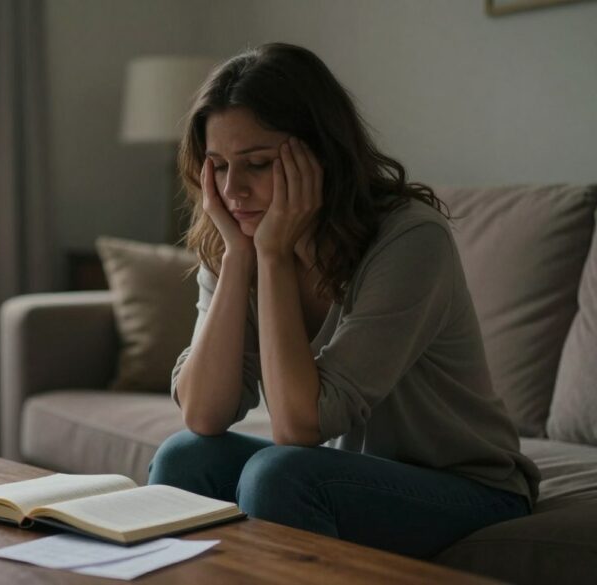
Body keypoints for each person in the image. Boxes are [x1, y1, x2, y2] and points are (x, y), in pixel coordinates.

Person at [147, 43, 539, 559]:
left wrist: (273, 257)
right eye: (217, 166)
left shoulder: (410, 240)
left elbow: (297, 426)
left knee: (281, 473)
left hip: (470, 489)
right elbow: (203, 414)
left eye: (258, 164)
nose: (233, 189)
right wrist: (239, 259)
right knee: (185, 456)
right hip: (351, 475)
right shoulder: (236, 239)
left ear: (320, 157)